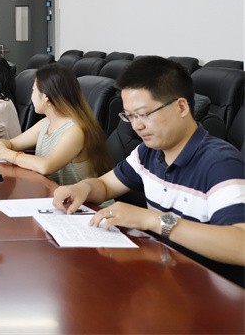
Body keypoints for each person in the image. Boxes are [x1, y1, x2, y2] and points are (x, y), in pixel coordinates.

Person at [52, 56, 244, 284]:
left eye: (143, 114)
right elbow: (104, 185)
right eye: (130, 116)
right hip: (164, 276)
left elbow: (240, 245)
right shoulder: (148, 152)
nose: (136, 126)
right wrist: (81, 188)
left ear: (181, 107)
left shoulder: (220, 163)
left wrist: (154, 221)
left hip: (208, 291)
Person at [0, 63, 111, 185]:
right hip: (54, 194)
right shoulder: (46, 122)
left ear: (45, 97)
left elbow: (46, 166)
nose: (31, 96)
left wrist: (5, 154)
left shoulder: (75, 130)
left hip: (84, 201)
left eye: (33, 90)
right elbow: (12, 143)